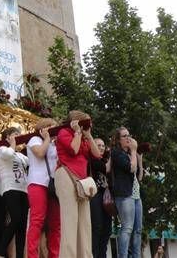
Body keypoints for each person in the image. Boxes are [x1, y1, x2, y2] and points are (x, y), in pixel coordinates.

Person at [55, 110, 101, 258]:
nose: (89, 125)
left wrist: (88, 134)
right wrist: (77, 133)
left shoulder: (84, 137)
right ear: (76, 122)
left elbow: (97, 155)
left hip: (82, 181)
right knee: (70, 221)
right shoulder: (64, 132)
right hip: (66, 175)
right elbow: (73, 150)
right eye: (86, 123)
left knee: (85, 223)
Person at [26, 118, 60, 258]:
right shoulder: (35, 140)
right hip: (37, 183)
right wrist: (46, 138)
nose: (54, 130)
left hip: (52, 186)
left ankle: (54, 255)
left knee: (56, 223)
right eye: (51, 127)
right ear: (43, 128)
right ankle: (32, 255)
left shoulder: (54, 144)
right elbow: (40, 153)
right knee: (37, 220)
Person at [0, 127, 29, 258]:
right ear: (7, 137)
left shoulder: (20, 154)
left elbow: (29, 161)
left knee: (22, 225)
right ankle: (0, 253)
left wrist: (28, 146)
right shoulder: (2, 150)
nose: (18, 136)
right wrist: (13, 143)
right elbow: (8, 154)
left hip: (23, 190)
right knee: (15, 219)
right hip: (10, 188)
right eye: (15, 134)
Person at [110, 127, 141, 258]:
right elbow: (130, 168)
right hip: (124, 195)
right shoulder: (116, 153)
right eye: (124, 136)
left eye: (129, 135)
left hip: (136, 195)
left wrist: (138, 157)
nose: (128, 138)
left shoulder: (129, 154)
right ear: (118, 140)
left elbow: (139, 176)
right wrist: (134, 150)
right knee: (127, 228)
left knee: (138, 230)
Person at [90, 138, 112, 258]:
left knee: (107, 229)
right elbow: (105, 168)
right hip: (95, 195)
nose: (102, 147)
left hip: (106, 197)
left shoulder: (105, 159)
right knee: (97, 227)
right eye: (98, 145)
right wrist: (112, 156)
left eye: (103, 145)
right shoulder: (93, 159)